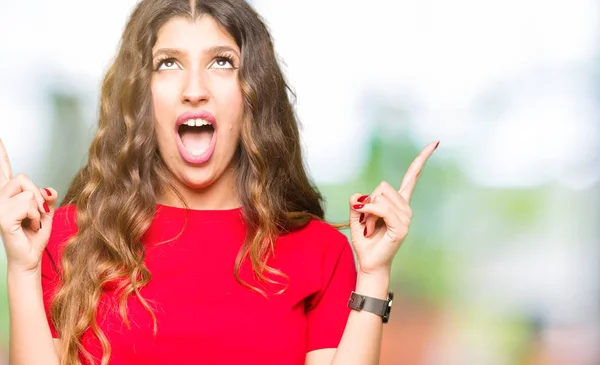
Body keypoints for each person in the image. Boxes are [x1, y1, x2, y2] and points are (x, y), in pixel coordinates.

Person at [0, 0, 438, 364]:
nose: (195, 88)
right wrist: (22, 268)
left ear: (252, 93)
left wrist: (375, 274)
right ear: (141, 94)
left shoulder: (321, 252)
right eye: (168, 63)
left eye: (222, 62)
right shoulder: (66, 240)